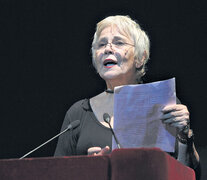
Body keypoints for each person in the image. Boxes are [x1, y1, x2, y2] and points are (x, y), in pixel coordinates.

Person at [54, 15, 200, 172]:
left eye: (119, 42)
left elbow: (190, 174)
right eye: (101, 44)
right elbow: (56, 173)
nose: (107, 49)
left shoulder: (164, 103)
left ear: (140, 58)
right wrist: (89, 168)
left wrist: (185, 138)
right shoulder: (78, 113)